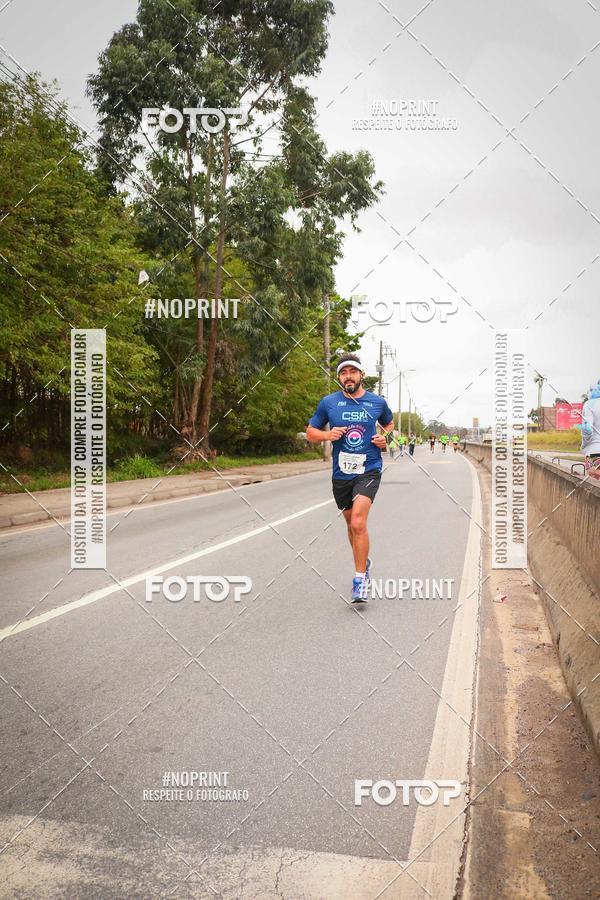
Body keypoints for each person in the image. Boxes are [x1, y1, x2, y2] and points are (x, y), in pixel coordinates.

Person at [307, 352, 394, 603]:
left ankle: (359, 580)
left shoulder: (377, 402)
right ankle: (363, 562)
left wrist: (384, 439)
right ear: (339, 378)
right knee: (350, 526)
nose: (348, 376)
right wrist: (327, 435)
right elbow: (311, 431)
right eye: (343, 373)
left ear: (361, 375)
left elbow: (388, 425)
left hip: (369, 469)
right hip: (341, 474)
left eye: (352, 372)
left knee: (358, 523)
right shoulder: (329, 403)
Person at [582, 380, 600, 479]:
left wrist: (584, 446)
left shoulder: (589, 404)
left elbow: (587, 430)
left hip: (594, 451)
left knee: (593, 481)